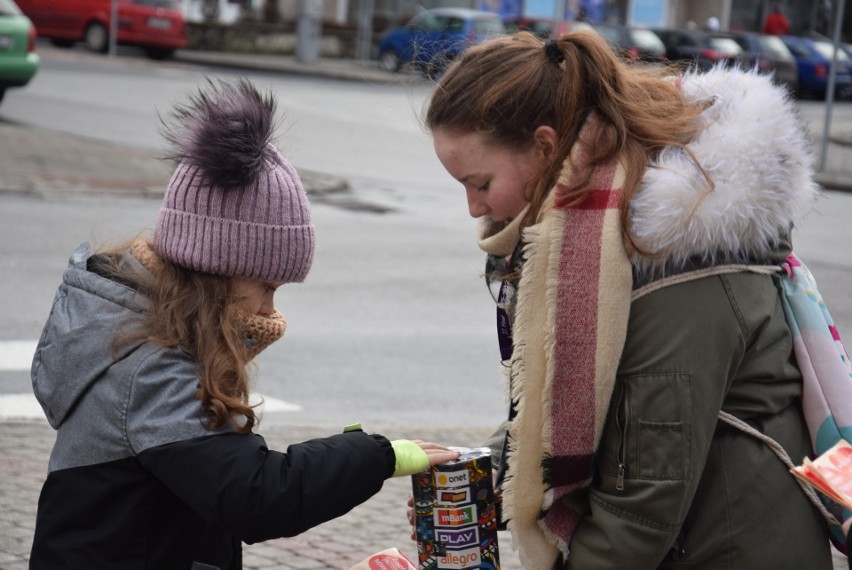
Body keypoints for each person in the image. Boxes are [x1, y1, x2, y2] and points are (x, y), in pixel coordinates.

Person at [421, 30, 834, 568]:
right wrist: (478, 476)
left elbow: (640, 505)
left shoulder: (675, 260)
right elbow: (568, 403)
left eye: (479, 182)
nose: (475, 208)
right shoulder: (595, 245)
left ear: (546, 147)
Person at [28, 79, 459, 569]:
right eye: (266, 287)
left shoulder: (138, 333)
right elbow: (254, 496)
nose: (269, 313)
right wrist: (378, 455)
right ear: (216, 271)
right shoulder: (145, 367)